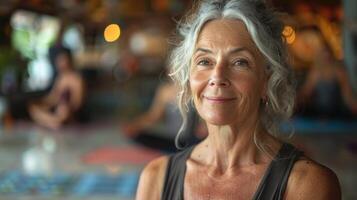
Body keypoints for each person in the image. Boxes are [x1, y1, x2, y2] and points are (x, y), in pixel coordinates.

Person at [136, 1, 341, 200]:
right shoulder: (156, 178)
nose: (217, 76)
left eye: (239, 62)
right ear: (189, 77)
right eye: (205, 61)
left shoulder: (306, 185)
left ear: (267, 80)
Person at [122, 80, 203, 152]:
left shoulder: (197, 89)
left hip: (192, 141)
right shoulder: (166, 91)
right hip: (171, 141)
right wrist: (135, 125)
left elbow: (204, 122)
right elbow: (153, 116)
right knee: (136, 135)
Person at [297, 29, 357, 118]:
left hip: (335, 114)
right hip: (318, 113)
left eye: (328, 55)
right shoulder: (315, 73)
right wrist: (294, 104)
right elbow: (306, 93)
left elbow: (347, 96)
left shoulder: (338, 72)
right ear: (319, 56)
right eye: (323, 55)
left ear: (331, 55)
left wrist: (354, 108)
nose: (326, 58)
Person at [28, 47, 84, 130]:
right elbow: (53, 97)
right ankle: (53, 122)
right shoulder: (61, 78)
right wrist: (42, 103)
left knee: (63, 110)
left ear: (69, 60)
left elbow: (78, 102)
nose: (61, 63)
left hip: (69, 110)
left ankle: (52, 122)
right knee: (34, 109)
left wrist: (67, 107)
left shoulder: (77, 79)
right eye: (59, 61)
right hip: (58, 108)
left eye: (63, 60)